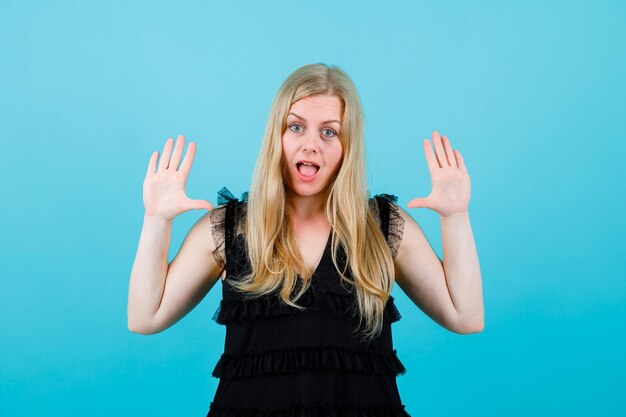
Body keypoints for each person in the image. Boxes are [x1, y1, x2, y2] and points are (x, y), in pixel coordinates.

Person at [127, 63, 484, 416]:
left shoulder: (383, 226)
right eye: (296, 127)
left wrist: (456, 217)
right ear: (277, 136)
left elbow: (465, 317)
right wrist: (156, 220)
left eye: (329, 132)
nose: (311, 145)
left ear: (348, 145)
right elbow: (146, 317)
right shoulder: (231, 227)